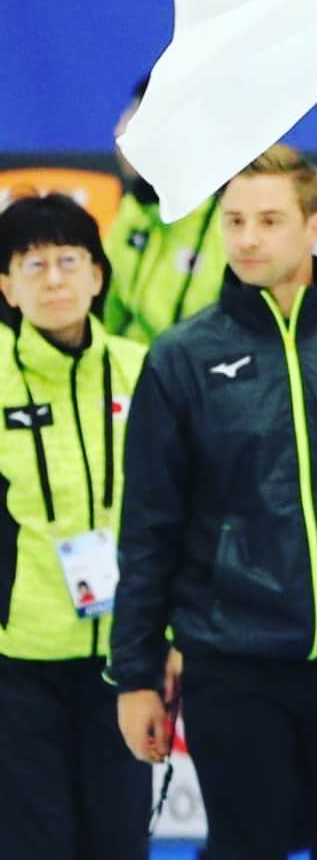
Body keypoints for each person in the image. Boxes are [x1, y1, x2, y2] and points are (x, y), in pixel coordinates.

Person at [108, 143, 317, 860]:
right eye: (233, 221)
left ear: (314, 225)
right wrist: (137, 672)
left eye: (268, 219)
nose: (248, 238)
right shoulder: (182, 357)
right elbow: (148, 530)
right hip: (232, 667)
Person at [0, 193, 150, 859]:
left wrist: (166, 639)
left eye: (69, 259)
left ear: (98, 273)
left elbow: (178, 511)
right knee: (36, 841)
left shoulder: (146, 369)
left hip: (125, 658)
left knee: (117, 840)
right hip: (18, 660)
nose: (54, 278)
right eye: (33, 264)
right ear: (6, 285)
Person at [103, 75, 226, 344]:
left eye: (134, 121)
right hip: (131, 379)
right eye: (126, 118)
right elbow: (105, 320)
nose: (118, 133)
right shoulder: (132, 210)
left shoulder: (228, 219)